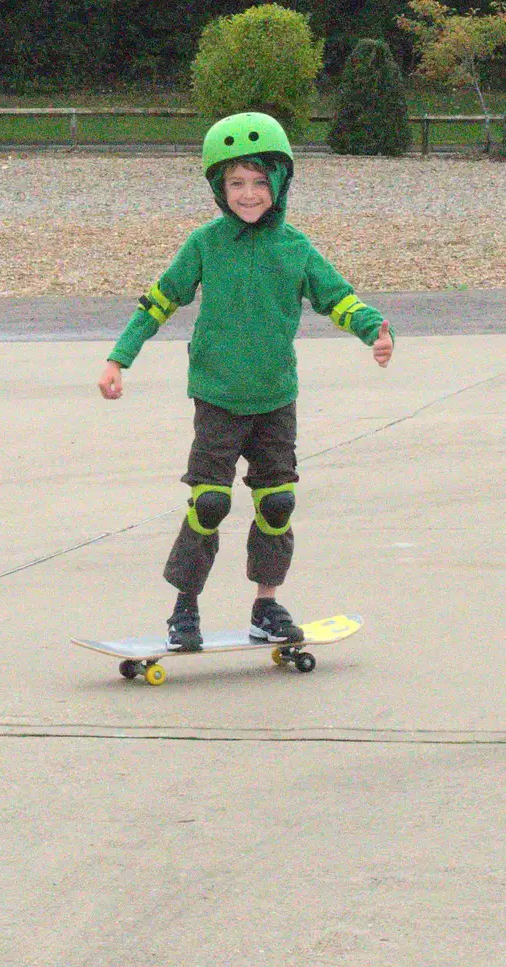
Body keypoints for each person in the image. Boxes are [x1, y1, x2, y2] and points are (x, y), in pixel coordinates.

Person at [97, 111, 392, 651]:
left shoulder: (296, 248)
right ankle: (184, 610)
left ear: (279, 184)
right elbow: (159, 300)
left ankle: (266, 604)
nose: (249, 193)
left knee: (276, 503)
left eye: (260, 182)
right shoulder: (206, 244)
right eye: (236, 183)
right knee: (209, 503)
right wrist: (121, 358)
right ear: (218, 188)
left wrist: (374, 329)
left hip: (276, 398)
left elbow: (339, 298)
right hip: (218, 397)